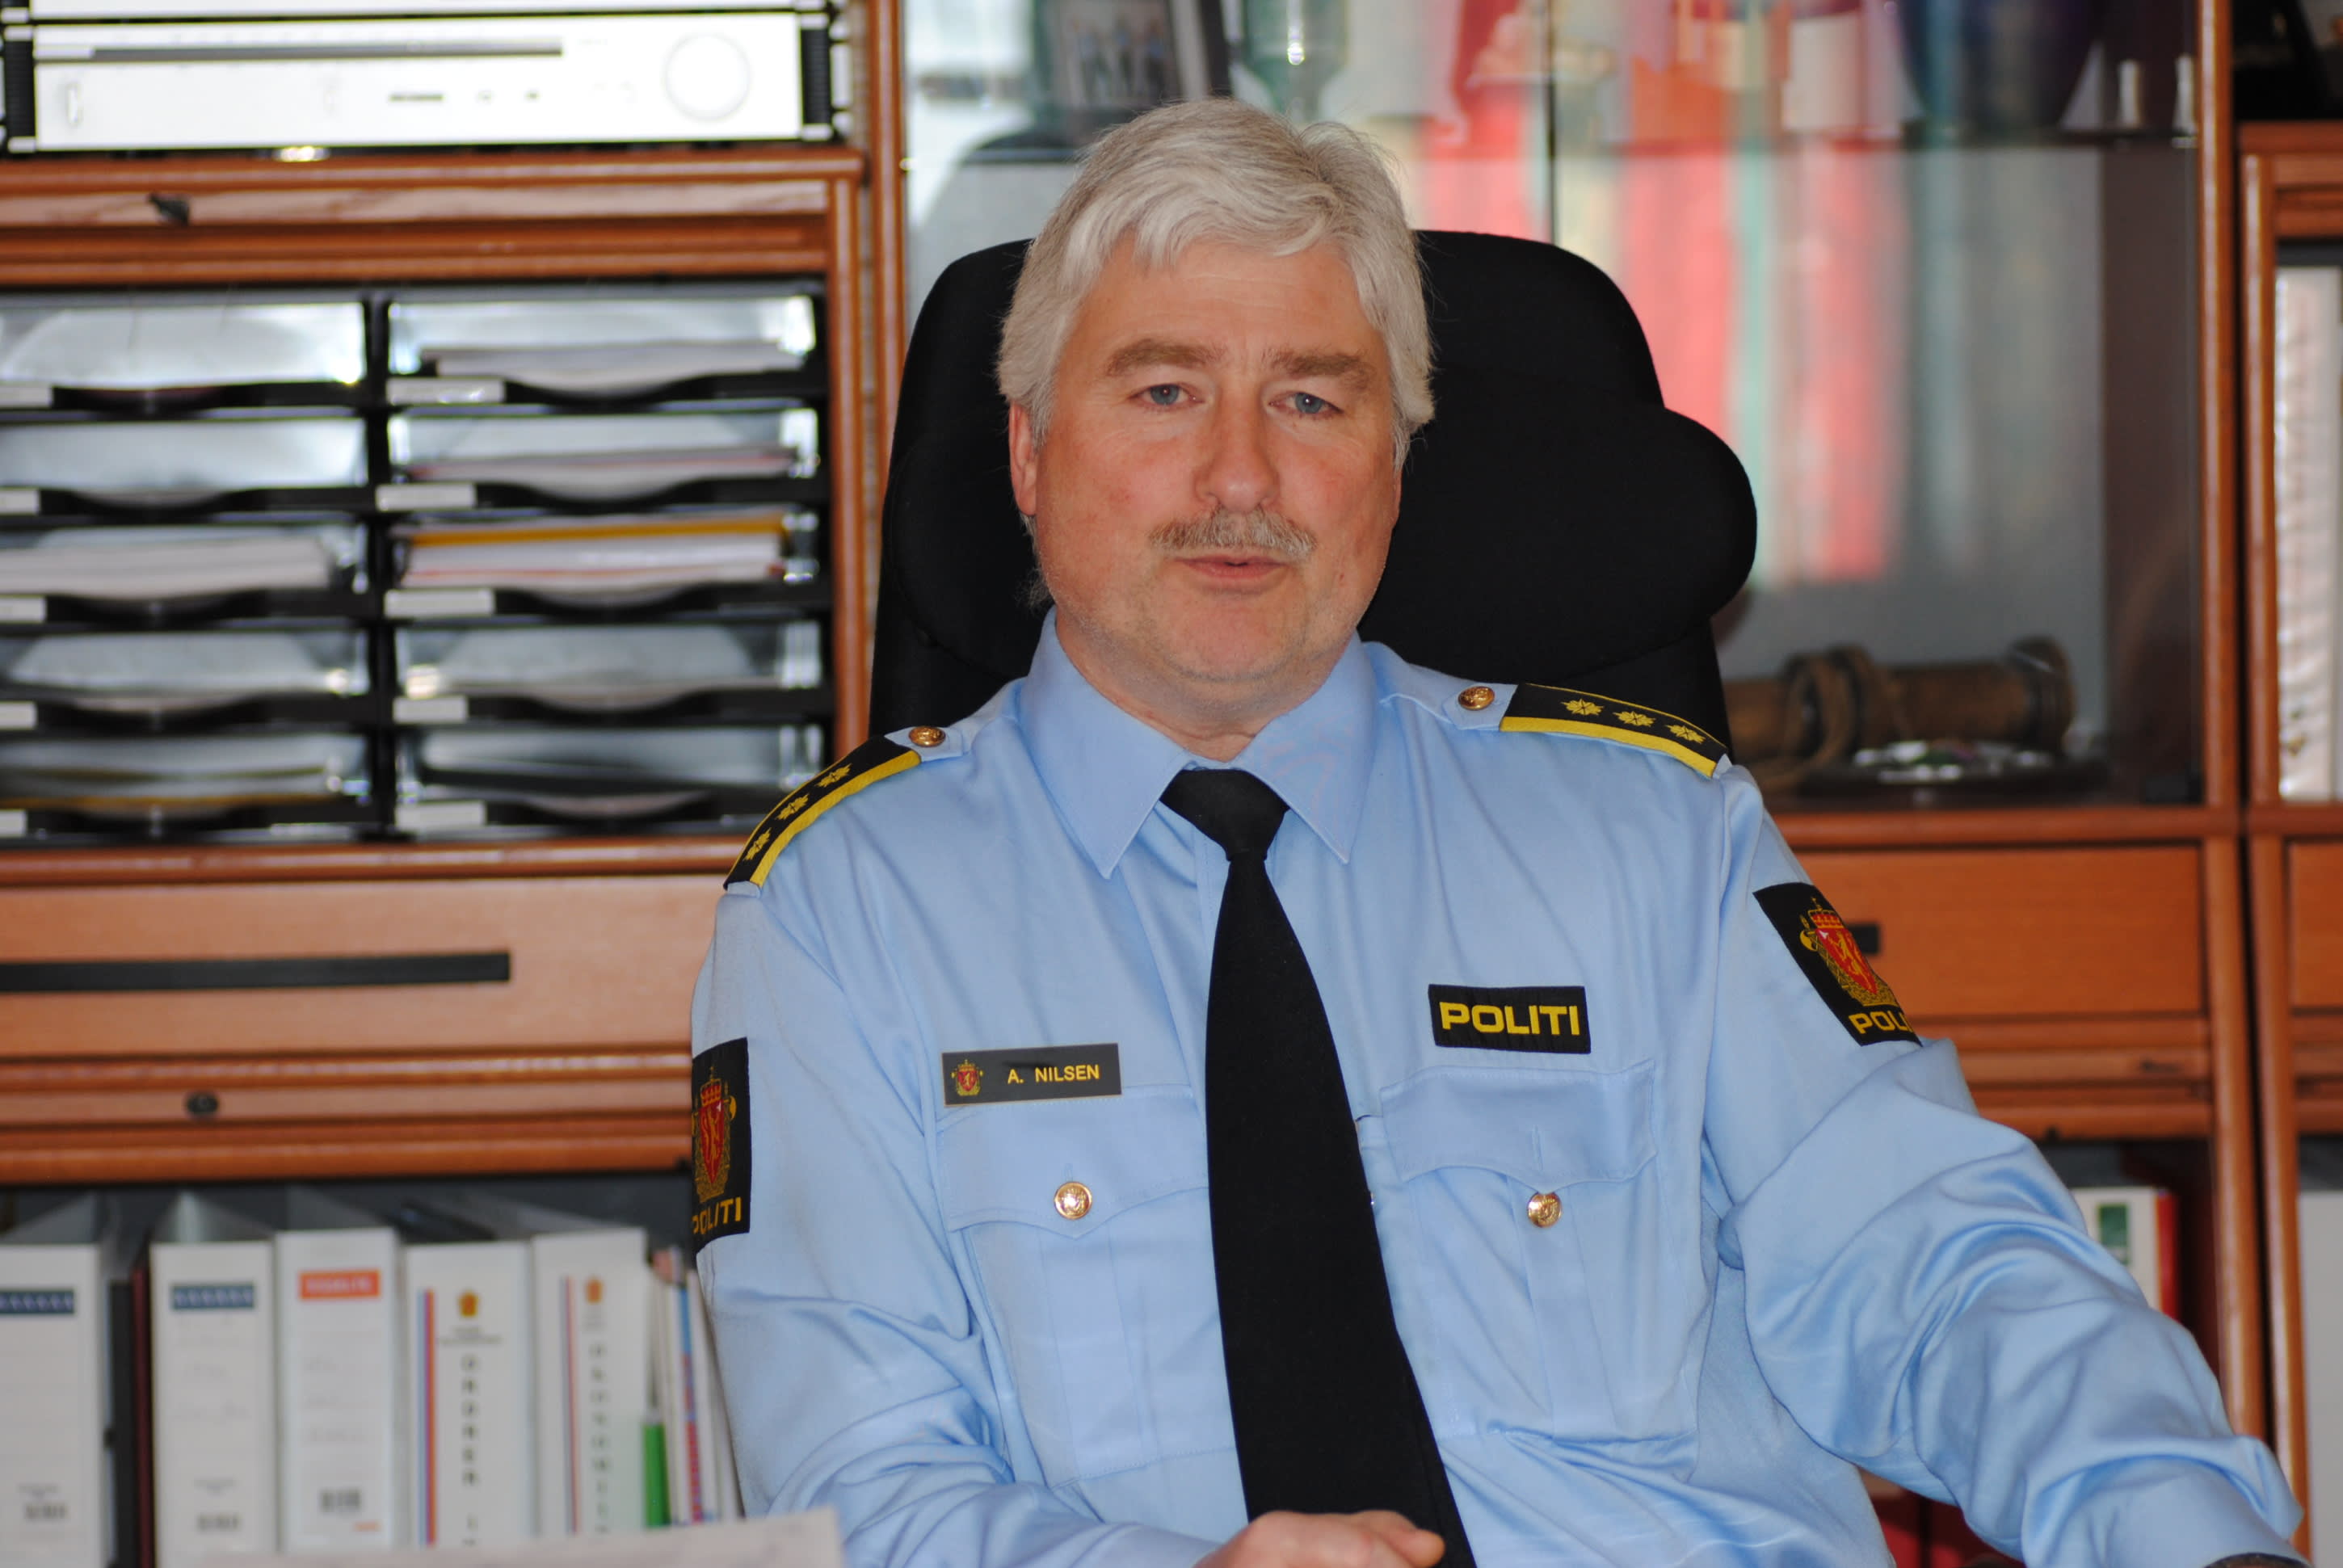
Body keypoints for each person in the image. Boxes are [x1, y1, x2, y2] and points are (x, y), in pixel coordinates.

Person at [690, 96, 2305, 1567]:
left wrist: (2197, 1542)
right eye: (1165, 389)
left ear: (1394, 468)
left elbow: (1936, 1263)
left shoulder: (1656, 831)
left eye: (1311, 398)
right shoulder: (844, 904)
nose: (1239, 475)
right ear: (1032, 452)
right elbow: (861, 1486)